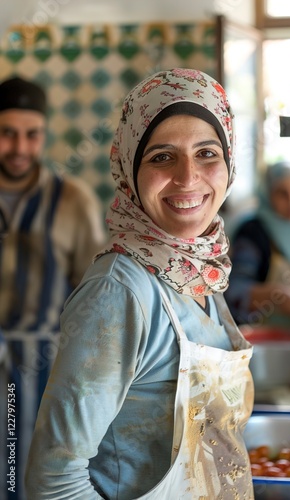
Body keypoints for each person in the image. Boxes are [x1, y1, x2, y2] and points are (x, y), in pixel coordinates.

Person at [25, 68, 255, 499]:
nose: (188, 178)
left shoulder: (201, 268)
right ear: (129, 168)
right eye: (162, 157)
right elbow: (54, 481)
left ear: (229, 162)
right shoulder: (119, 290)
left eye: (207, 153)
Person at [0, 76, 106, 500]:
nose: (20, 147)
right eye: (7, 133)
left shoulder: (73, 200)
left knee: (32, 476)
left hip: (46, 369)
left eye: (32, 135)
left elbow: (94, 295)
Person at [224, 161, 290, 327]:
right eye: (282, 193)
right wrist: (274, 294)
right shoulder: (254, 233)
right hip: (275, 336)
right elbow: (234, 291)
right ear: (267, 194)